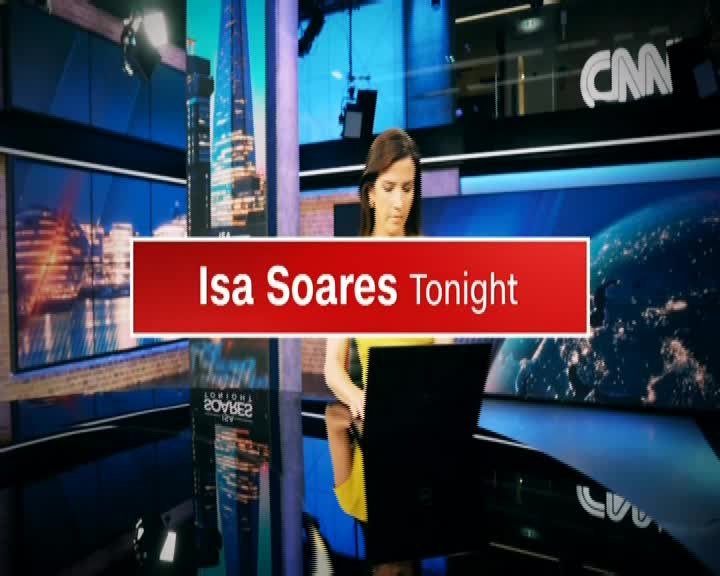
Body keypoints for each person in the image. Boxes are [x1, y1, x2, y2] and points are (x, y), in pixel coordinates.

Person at [324, 128, 452, 575]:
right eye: (390, 188)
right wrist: (359, 401)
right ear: (371, 193)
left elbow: (445, 353)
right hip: (378, 422)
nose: (400, 202)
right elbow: (332, 370)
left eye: (408, 189)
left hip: (421, 431)